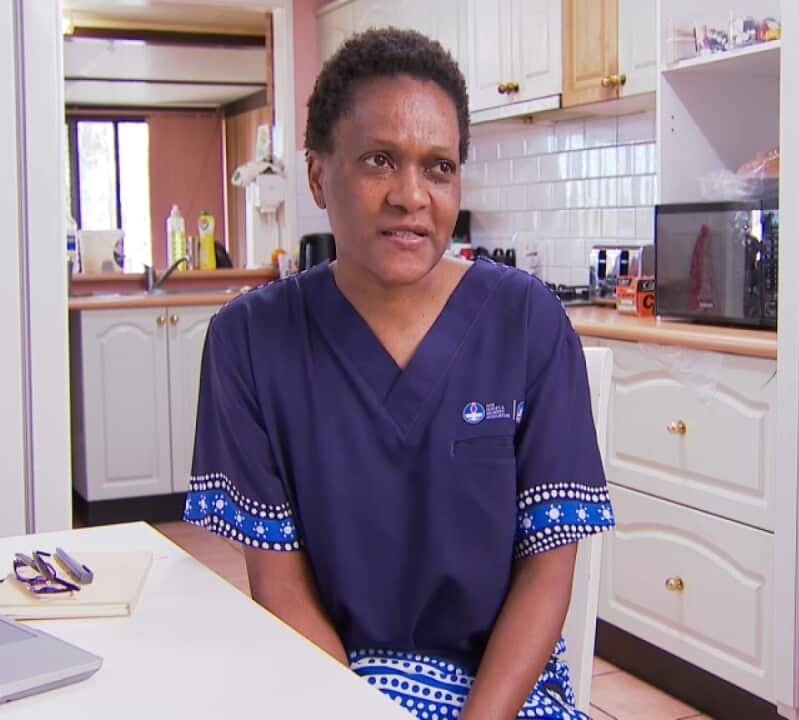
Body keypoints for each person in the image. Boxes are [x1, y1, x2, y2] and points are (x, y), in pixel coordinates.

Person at [183, 28, 614, 720]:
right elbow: (280, 587)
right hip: (331, 687)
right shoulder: (249, 342)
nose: (411, 195)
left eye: (438, 167)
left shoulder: (528, 323)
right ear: (318, 175)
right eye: (379, 160)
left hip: (501, 696)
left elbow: (546, 569)